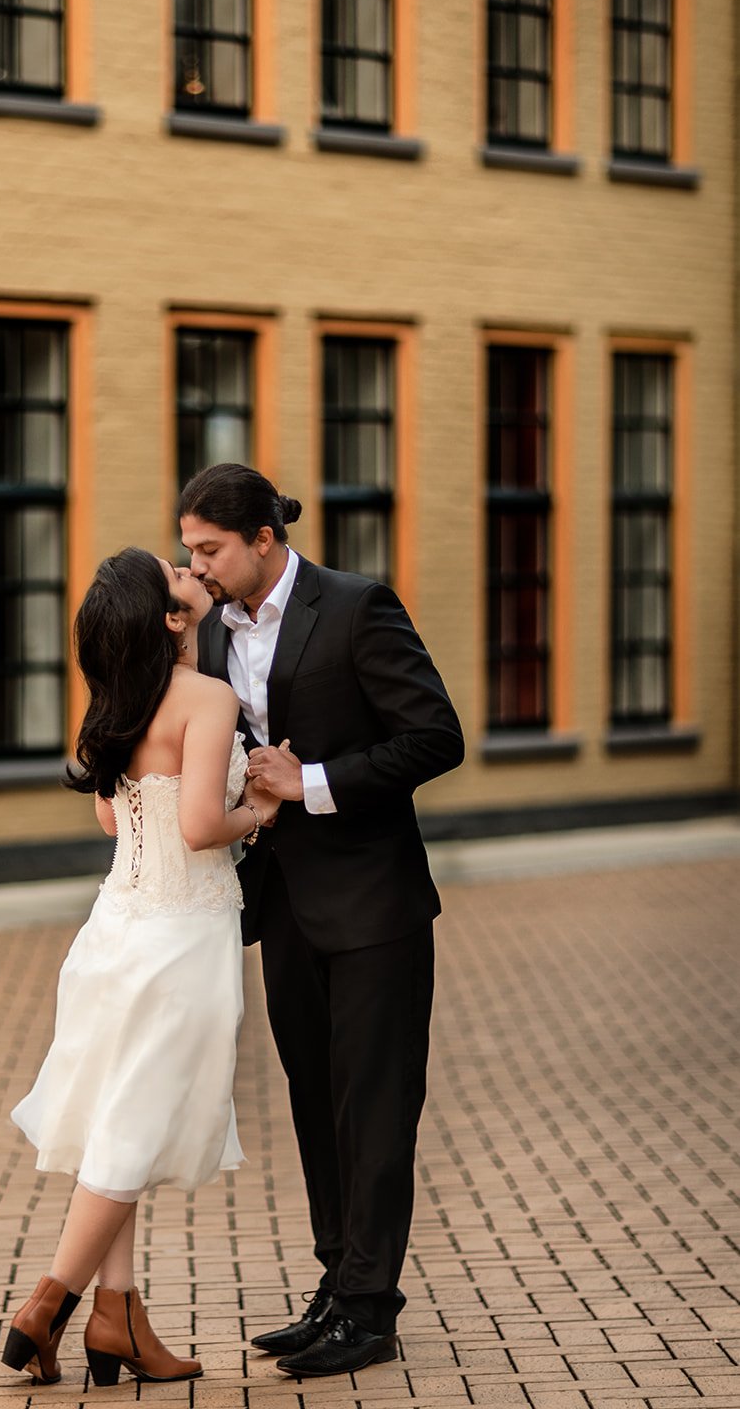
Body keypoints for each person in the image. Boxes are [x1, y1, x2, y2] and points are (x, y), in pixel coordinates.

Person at [179, 464, 465, 1380]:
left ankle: (370, 1313)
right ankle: (336, 1286)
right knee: (313, 1101)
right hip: (284, 905)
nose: (198, 566)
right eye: (190, 550)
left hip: (375, 905)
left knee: (373, 1107)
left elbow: (434, 737)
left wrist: (310, 784)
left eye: (209, 549)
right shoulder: (214, 637)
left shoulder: (355, 606)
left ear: (263, 538)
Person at [3, 547, 280, 1388]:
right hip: (181, 940)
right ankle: (44, 1304)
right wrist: (260, 809)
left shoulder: (119, 700)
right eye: (178, 574)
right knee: (133, 1128)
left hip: (114, 929)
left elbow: (107, 815)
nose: (191, 571)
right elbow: (198, 827)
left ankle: (117, 1319)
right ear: (170, 616)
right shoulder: (205, 698)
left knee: (118, 1125)